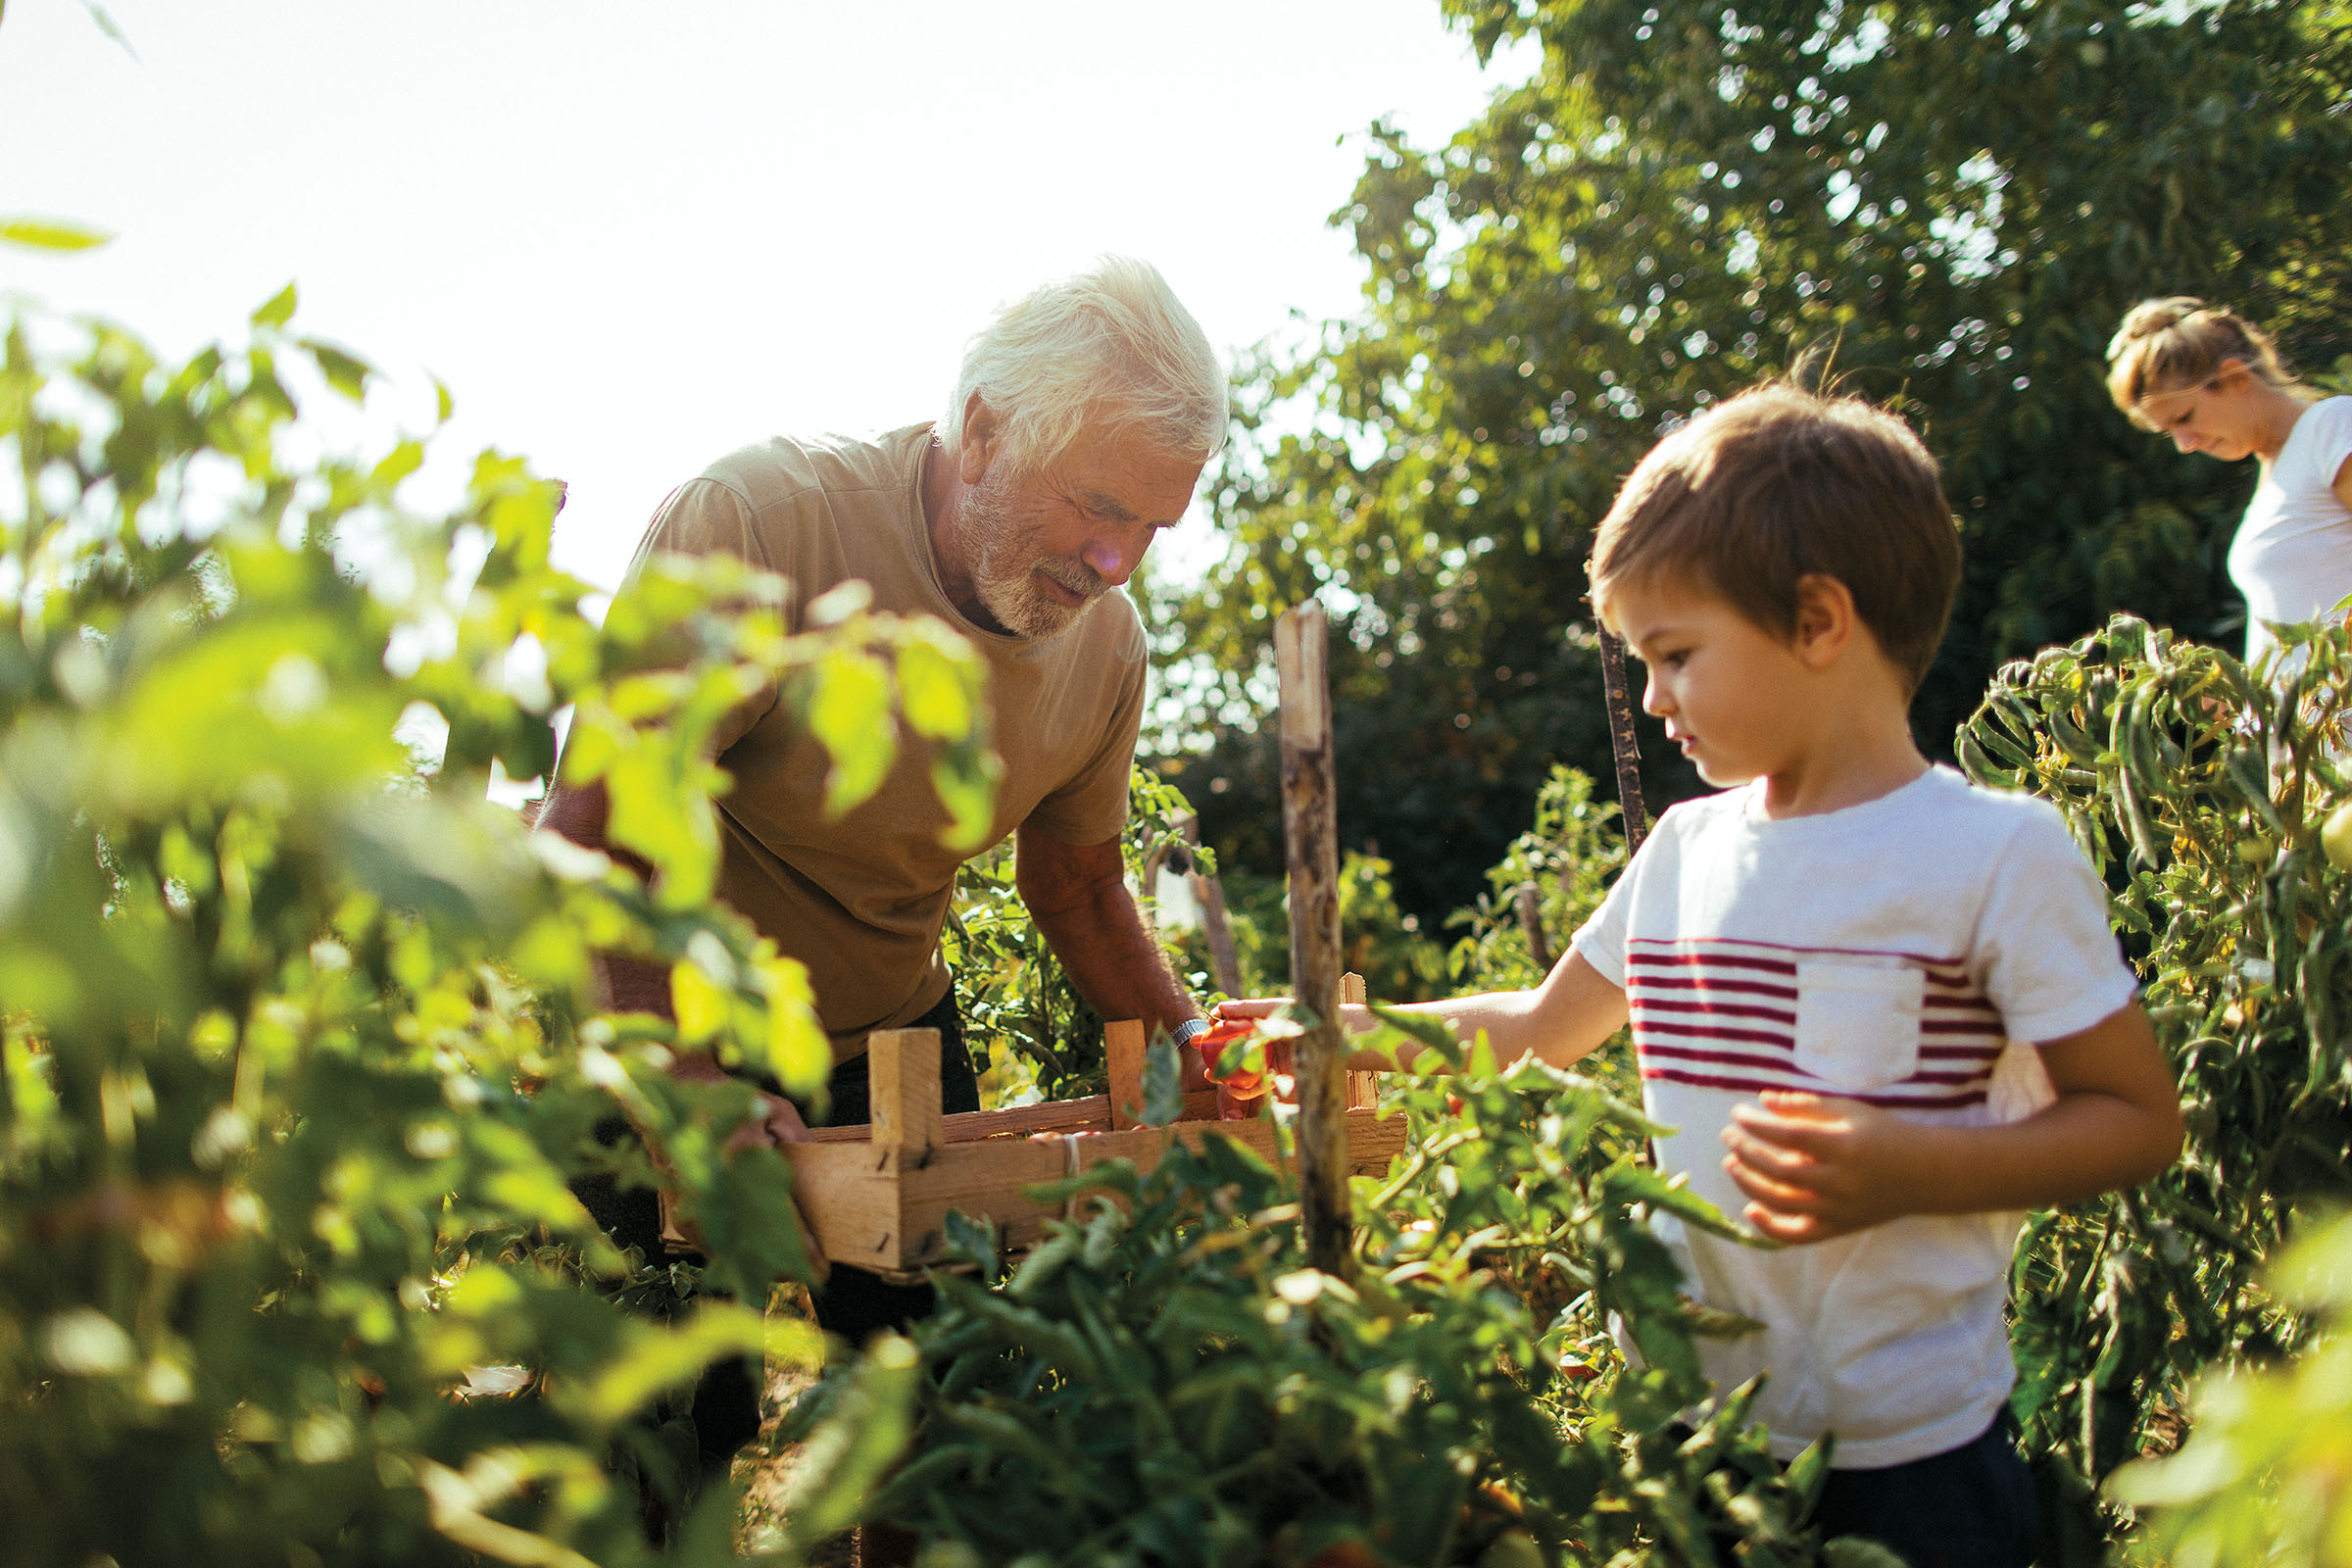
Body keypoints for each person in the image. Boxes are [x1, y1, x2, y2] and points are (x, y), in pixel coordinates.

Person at [1220, 385, 2182, 1567]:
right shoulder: (1685, 851)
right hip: (1694, 1428)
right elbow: (1537, 1025)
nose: (1655, 698)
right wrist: (1341, 1029)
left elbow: (2135, 1118)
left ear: (1819, 621)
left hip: (1909, 1455)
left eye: (1675, 656)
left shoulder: (1992, 853)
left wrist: (1915, 1168)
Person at [538, 256, 1228, 1509]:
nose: (1115, 559)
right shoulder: (762, 523)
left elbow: (1074, 888)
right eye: (1093, 505)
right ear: (980, 431)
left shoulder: (1104, 649)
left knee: (940, 1432)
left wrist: (1196, 1046)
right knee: (648, 1457)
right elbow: (589, 833)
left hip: (890, 1040)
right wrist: (688, 1091)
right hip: (662, 1021)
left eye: (1151, 530)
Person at [2107, 296, 2352, 671]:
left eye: (2185, 417)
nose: (2184, 444)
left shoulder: (2331, 426)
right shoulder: (2273, 476)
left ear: (2236, 377)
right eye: (2168, 432)